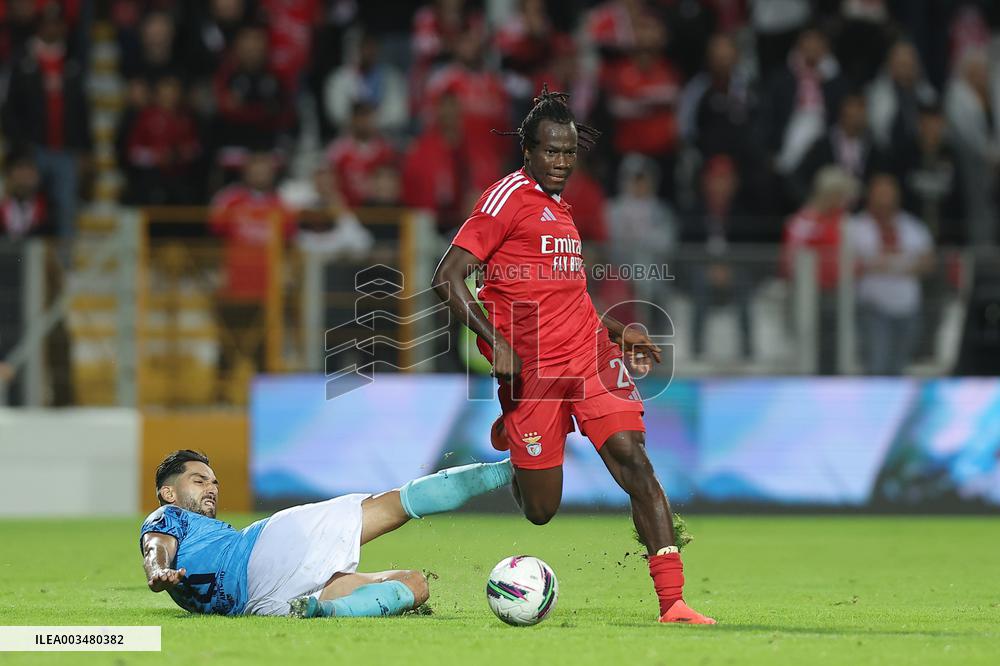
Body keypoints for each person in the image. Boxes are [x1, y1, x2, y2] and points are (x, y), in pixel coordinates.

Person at [431, 87, 715, 625]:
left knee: (633, 459)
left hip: (589, 356)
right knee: (541, 511)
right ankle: (521, 452)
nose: (561, 162)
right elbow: (445, 278)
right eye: (550, 152)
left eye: (568, 153)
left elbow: (568, 294)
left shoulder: (562, 211)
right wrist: (501, 342)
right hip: (533, 373)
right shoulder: (505, 200)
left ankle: (673, 601)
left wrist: (615, 330)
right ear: (528, 151)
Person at [141, 449, 512, 617]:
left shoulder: (199, 532)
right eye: (199, 480)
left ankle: (327, 611)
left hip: (262, 599)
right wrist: (157, 571)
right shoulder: (168, 515)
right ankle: (511, 470)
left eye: (214, 481)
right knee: (395, 511)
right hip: (265, 563)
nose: (212, 487)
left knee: (414, 584)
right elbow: (155, 545)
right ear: (168, 492)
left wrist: (162, 575)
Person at [846, 174, 934, 375]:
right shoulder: (857, 227)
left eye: (889, 195)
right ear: (870, 197)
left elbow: (928, 261)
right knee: (877, 364)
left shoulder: (912, 226)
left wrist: (895, 265)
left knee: (899, 367)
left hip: (908, 308)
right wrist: (879, 264)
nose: (885, 201)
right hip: (873, 308)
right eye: (880, 195)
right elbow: (848, 263)